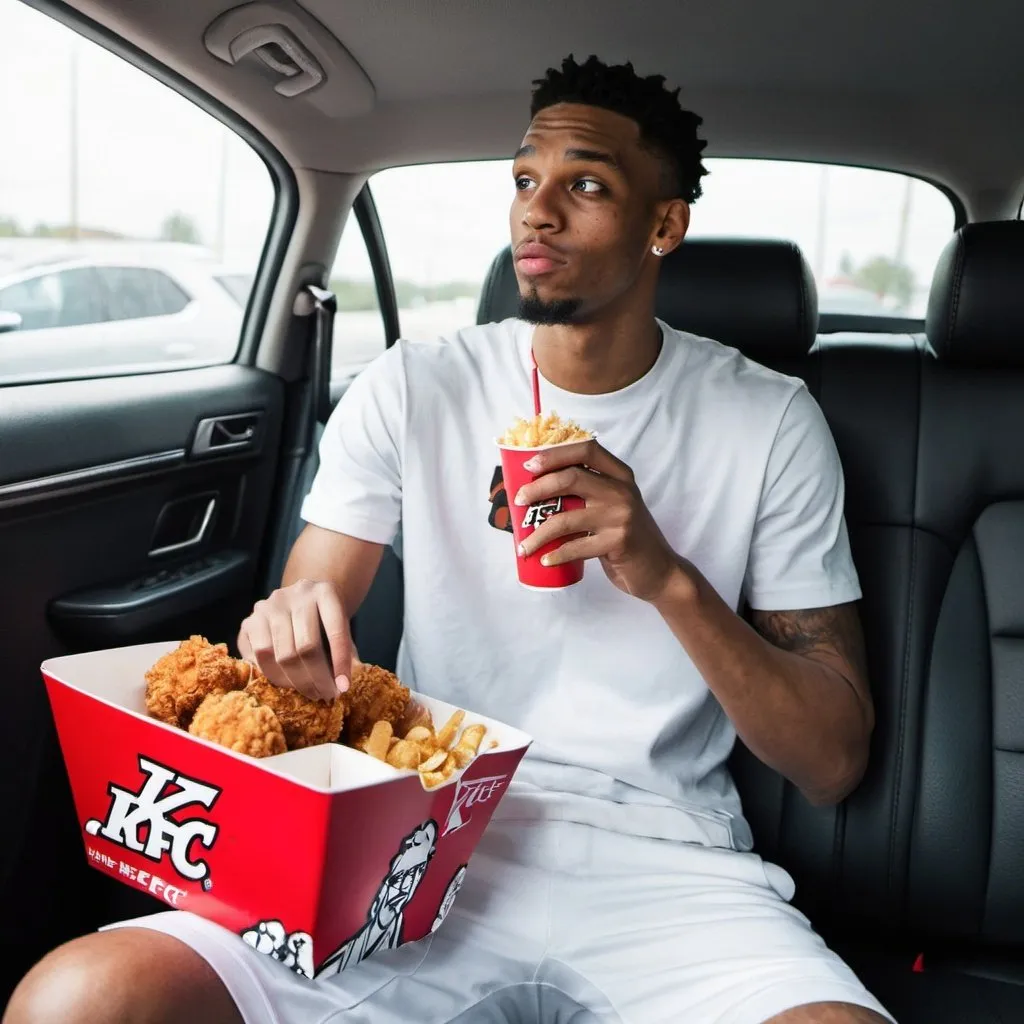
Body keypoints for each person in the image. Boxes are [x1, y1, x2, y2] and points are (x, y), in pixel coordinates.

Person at [4, 55, 892, 1024]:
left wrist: (662, 572)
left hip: (666, 855)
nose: (535, 211)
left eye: (584, 183)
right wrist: (290, 632)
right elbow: (312, 603)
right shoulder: (416, 382)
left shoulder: (767, 418)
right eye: (523, 180)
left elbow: (830, 759)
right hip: (421, 827)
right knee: (85, 997)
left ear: (663, 224)